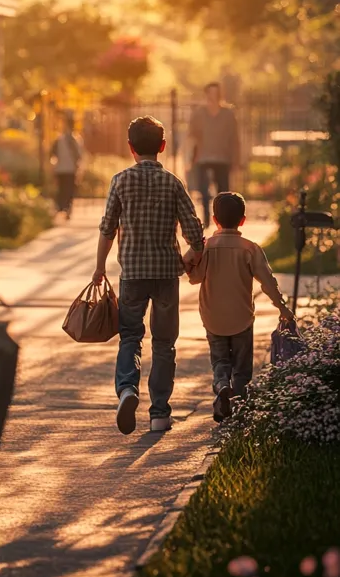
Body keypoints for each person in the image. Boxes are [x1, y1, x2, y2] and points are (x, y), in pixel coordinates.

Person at [93, 115, 204, 436]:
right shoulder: (173, 183)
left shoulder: (120, 181)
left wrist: (100, 267)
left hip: (132, 273)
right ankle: (159, 415)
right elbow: (194, 231)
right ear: (163, 146)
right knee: (164, 343)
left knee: (130, 336)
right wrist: (191, 256)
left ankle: (128, 388)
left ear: (130, 147)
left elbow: (107, 228)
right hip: (166, 274)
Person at [186, 192, 294, 423]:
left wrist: (191, 258)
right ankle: (239, 414)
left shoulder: (207, 247)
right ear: (243, 220)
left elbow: (194, 277)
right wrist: (282, 307)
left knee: (220, 361)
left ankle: (221, 385)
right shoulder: (250, 249)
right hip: (242, 318)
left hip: (213, 317)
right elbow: (268, 282)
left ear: (214, 220)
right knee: (242, 370)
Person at [188, 82, 240, 229]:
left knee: (223, 193)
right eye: (210, 93)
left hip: (223, 158)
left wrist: (235, 160)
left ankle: (223, 222)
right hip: (203, 158)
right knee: (204, 191)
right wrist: (190, 157)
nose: (213, 96)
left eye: (216, 93)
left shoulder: (228, 114)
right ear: (206, 94)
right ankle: (206, 219)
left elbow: (234, 139)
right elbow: (191, 135)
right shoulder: (199, 114)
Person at [50, 115, 83, 220]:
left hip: (61, 169)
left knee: (61, 189)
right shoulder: (75, 139)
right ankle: (66, 209)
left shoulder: (59, 139)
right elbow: (78, 156)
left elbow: (52, 154)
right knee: (69, 190)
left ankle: (60, 208)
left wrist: (53, 165)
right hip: (70, 169)